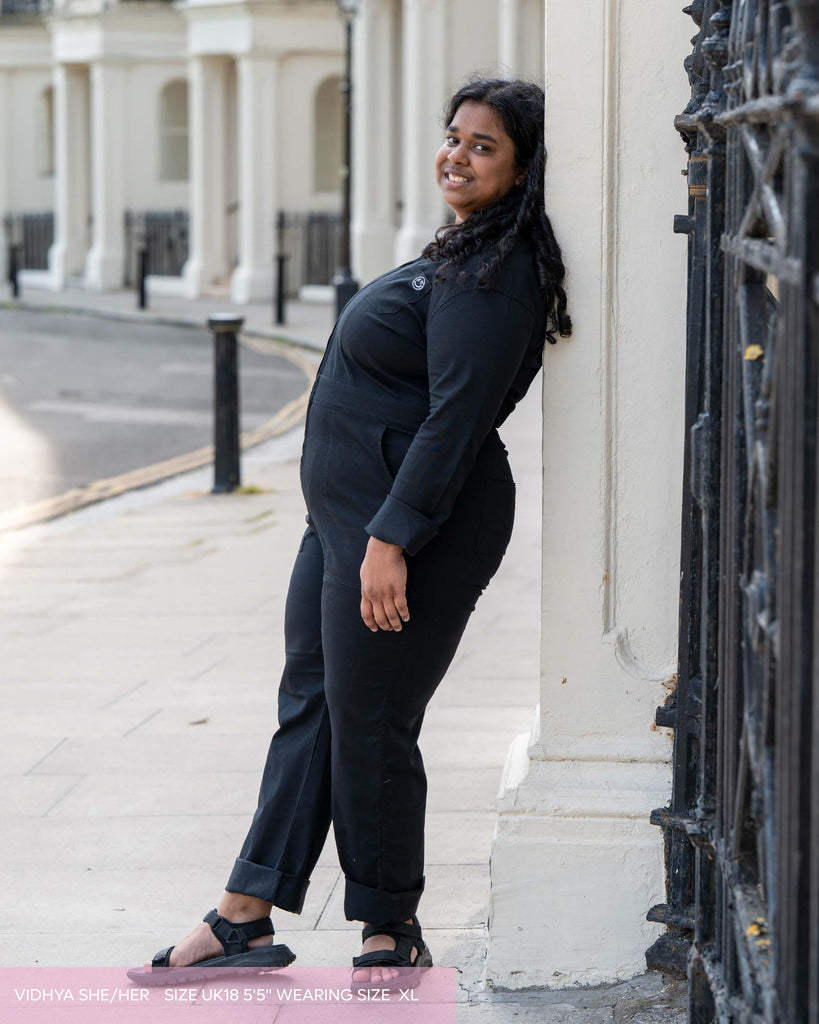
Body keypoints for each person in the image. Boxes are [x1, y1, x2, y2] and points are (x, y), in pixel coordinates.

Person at [128, 76, 570, 989]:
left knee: (369, 721)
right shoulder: (463, 252)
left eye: (483, 145)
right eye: (454, 136)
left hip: (406, 530)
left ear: (523, 170)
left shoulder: (497, 272)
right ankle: (246, 913)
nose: (456, 153)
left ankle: (388, 924)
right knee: (316, 705)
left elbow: (456, 417)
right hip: (349, 522)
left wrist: (391, 538)